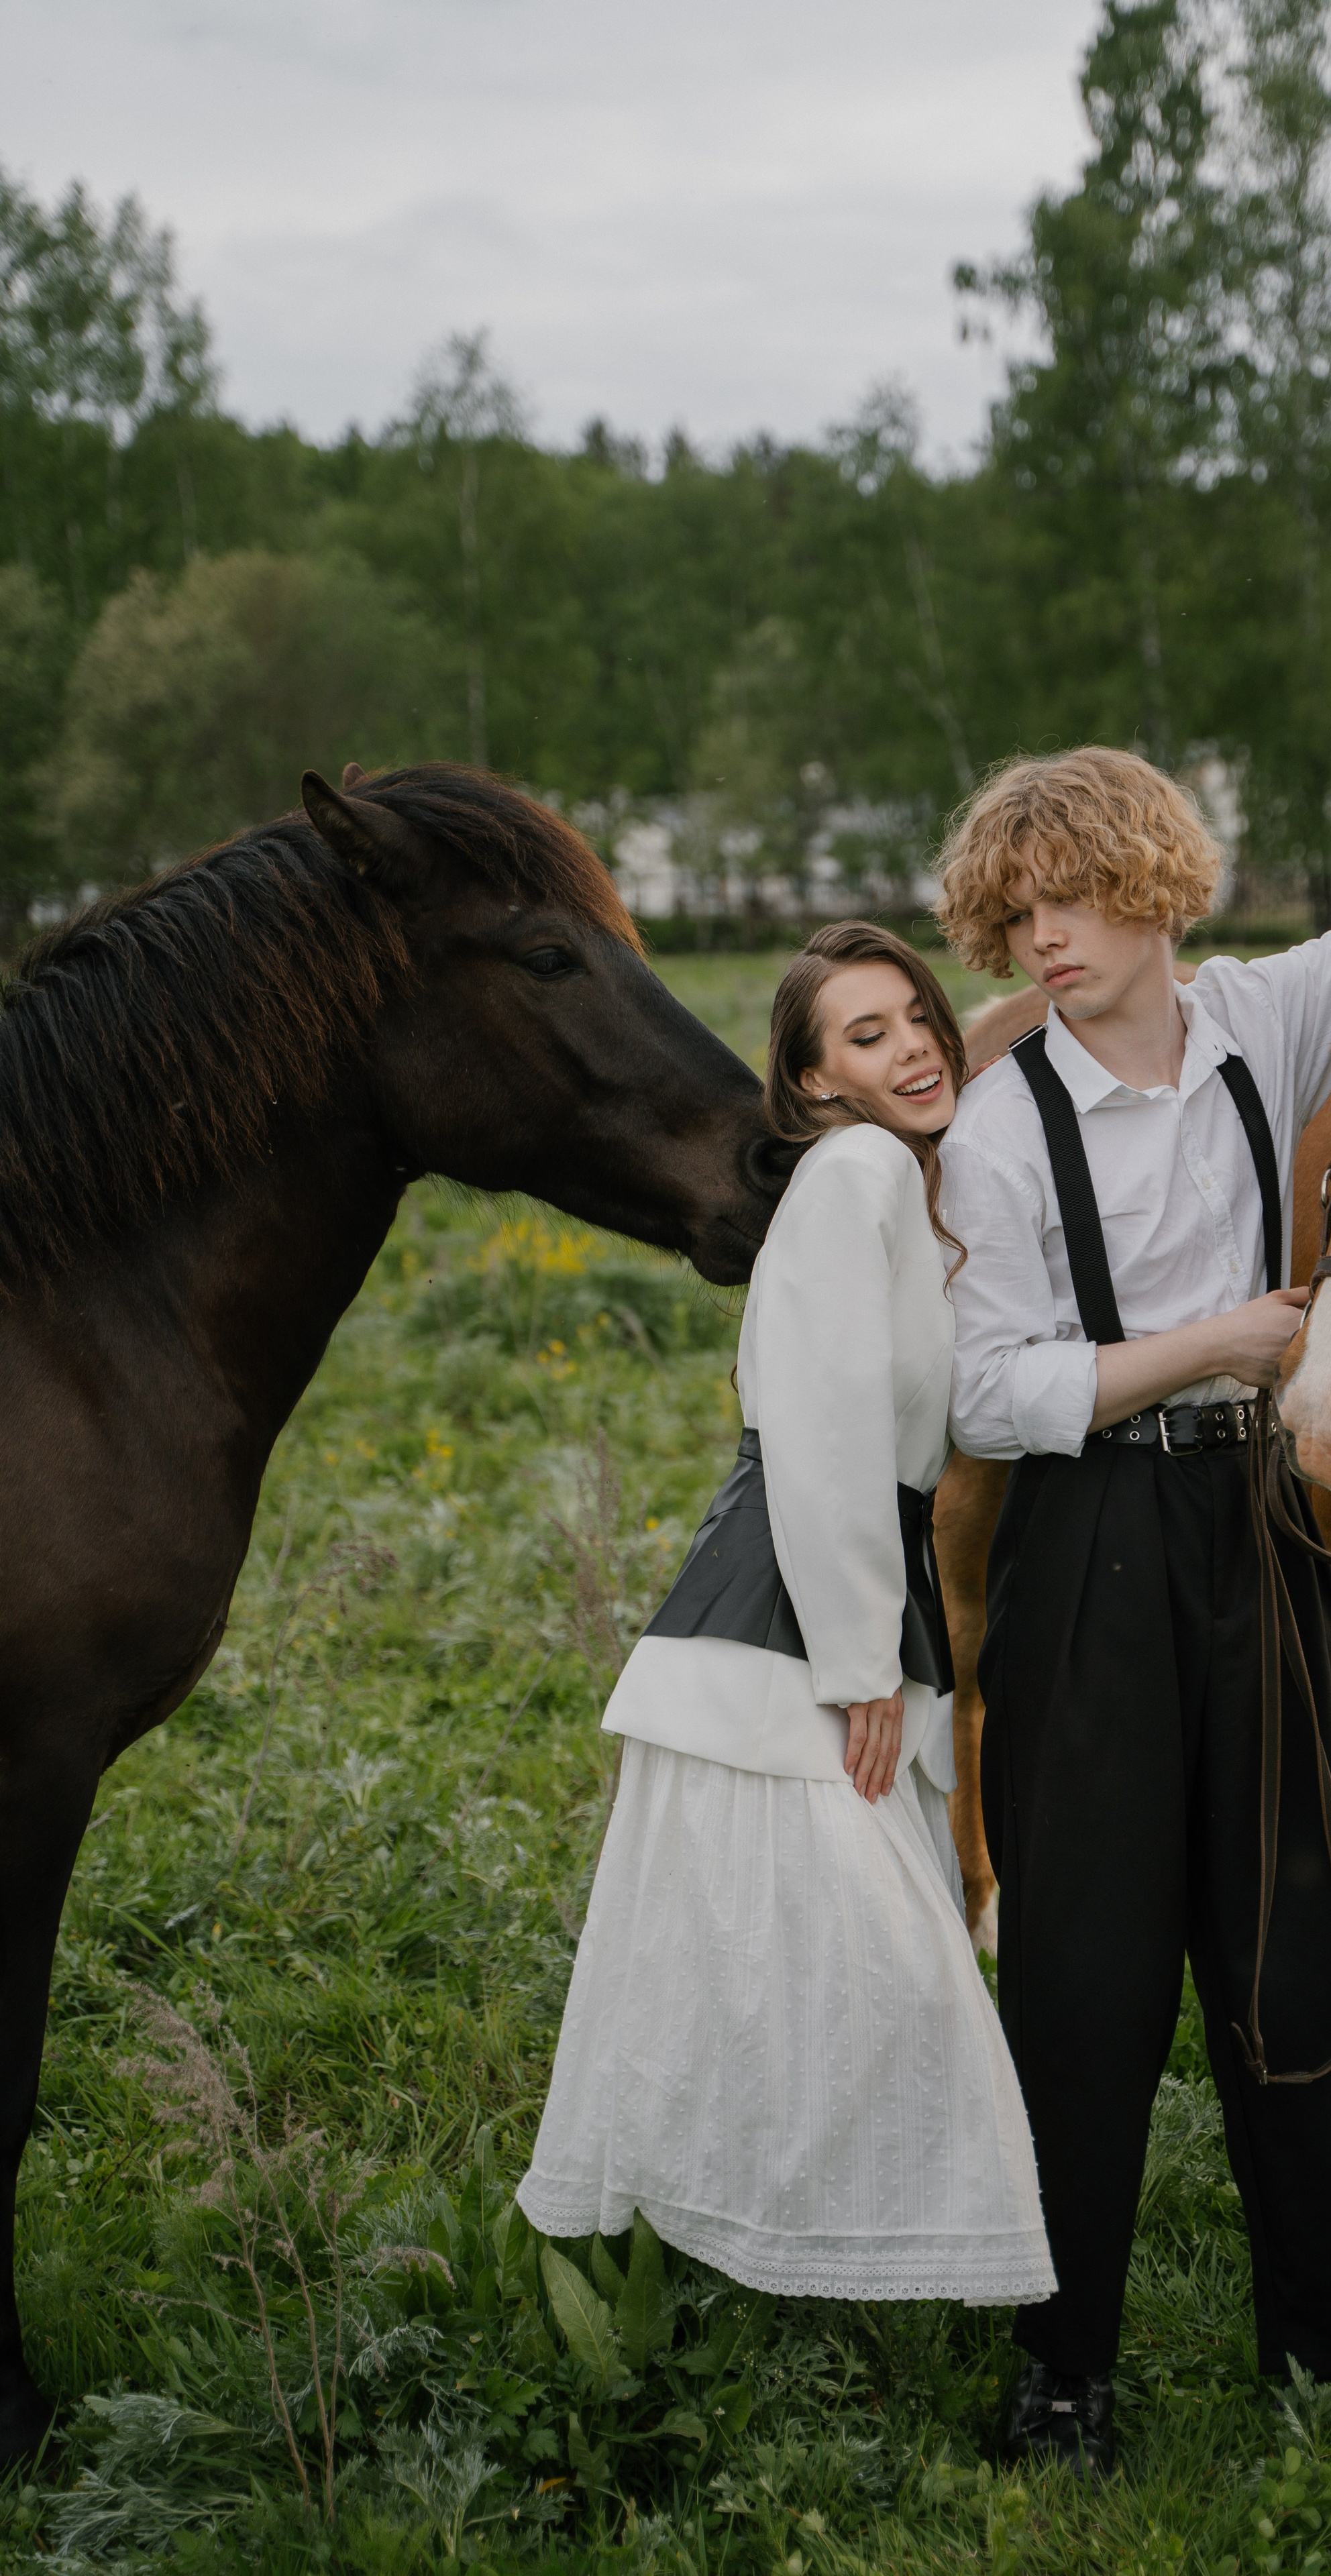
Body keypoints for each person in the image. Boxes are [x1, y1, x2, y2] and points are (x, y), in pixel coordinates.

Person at [934, 748, 1331, 2477]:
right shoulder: (999, 1125)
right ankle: (1061, 2373)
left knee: (1296, 1944)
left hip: (1256, 1528)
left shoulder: (1259, 1017)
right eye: (1015, 912)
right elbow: (984, 1393)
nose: (1042, 938)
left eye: (1071, 898)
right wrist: (1215, 1346)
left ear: (1154, 890)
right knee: (1079, 1971)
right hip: (1085, 1534)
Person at [517, 921, 1055, 2310]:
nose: (913, 1048)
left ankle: (773, 2245)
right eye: (865, 1037)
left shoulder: (892, 1174)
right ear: (812, 1083)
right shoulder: (858, 1174)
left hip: (837, 1585)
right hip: (797, 1609)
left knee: (775, 1955)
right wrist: (860, 1663)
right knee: (885, 1963)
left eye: (917, 1017)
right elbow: (820, 1433)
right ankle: (841, 2250)